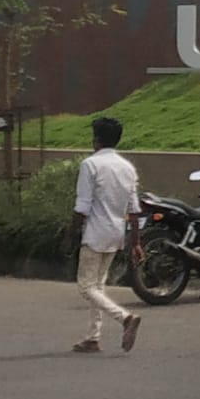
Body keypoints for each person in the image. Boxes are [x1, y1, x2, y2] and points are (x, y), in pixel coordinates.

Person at [69, 116, 143, 354]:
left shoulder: (90, 165)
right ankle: (93, 337)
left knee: (86, 287)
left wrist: (71, 234)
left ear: (96, 140)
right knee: (98, 286)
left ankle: (125, 318)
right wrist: (136, 242)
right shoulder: (127, 167)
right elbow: (134, 209)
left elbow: (82, 207)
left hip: (95, 234)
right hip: (116, 233)